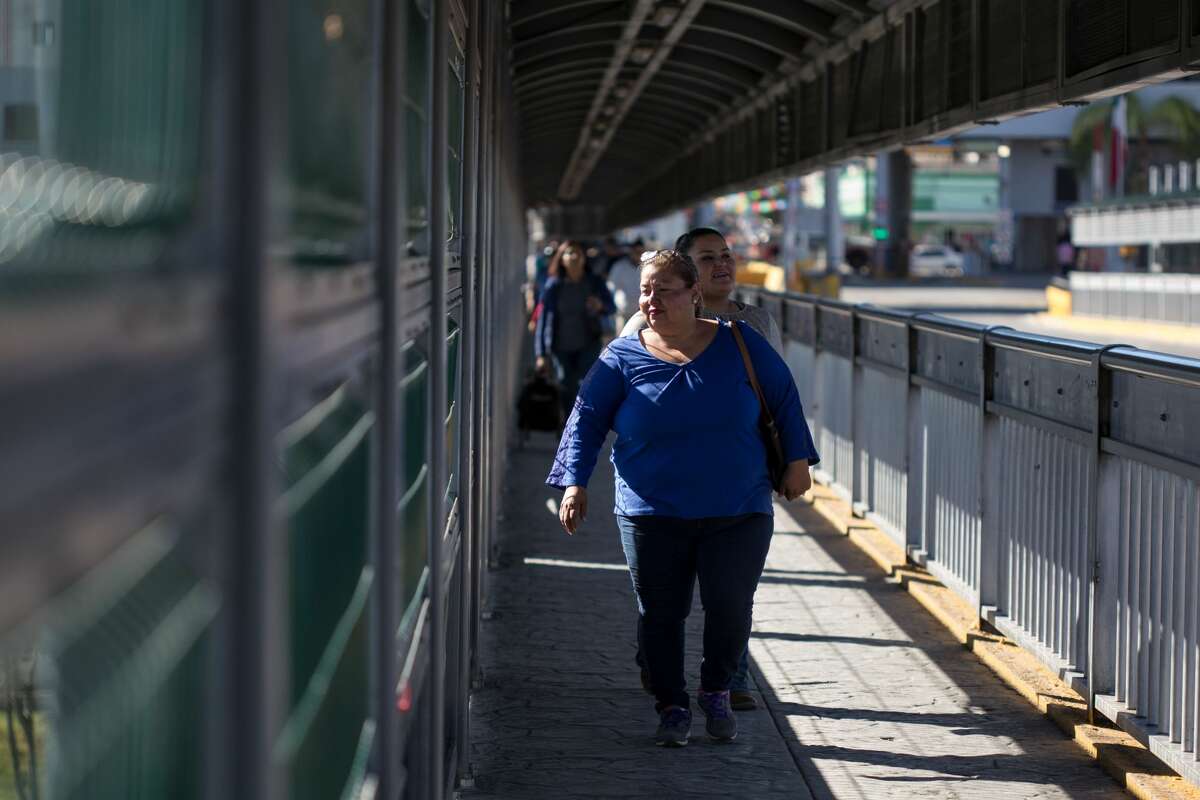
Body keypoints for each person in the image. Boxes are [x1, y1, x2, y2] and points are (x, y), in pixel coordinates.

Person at [547, 250, 819, 747]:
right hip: (651, 509)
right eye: (646, 291)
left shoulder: (741, 344)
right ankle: (672, 705)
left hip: (738, 506)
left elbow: (784, 397)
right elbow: (586, 419)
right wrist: (574, 482)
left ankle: (716, 689)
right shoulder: (622, 356)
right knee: (660, 613)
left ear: (694, 295)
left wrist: (798, 460)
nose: (651, 301)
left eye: (664, 290)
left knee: (730, 605)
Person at [619, 227, 785, 711]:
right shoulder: (645, 323)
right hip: (664, 485)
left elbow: (779, 395)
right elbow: (617, 394)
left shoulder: (755, 322)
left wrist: (791, 460)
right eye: (708, 258)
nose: (723, 266)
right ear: (687, 274)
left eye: (727, 256)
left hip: (738, 477)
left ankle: (733, 677)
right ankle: (657, 659)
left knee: (732, 591)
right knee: (664, 591)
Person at [621, 227, 782, 353]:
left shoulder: (761, 320)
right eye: (707, 258)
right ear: (683, 270)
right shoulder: (652, 320)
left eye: (726, 255)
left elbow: (779, 387)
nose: (721, 263)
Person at [534, 240, 615, 417]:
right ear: (561, 259)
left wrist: (600, 305)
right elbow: (543, 320)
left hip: (589, 342)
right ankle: (568, 422)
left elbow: (612, 307)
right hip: (560, 346)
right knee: (565, 384)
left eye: (578, 253)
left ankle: (584, 421)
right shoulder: (554, 286)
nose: (574, 257)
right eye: (569, 253)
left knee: (586, 383)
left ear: (584, 258)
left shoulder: (594, 282)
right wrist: (540, 354)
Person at [607, 238, 644, 332]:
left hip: (643, 313)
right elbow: (611, 286)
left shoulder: (648, 268)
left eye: (640, 251)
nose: (638, 254)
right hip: (624, 313)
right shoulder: (619, 267)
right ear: (631, 252)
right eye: (635, 251)